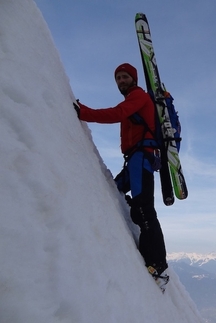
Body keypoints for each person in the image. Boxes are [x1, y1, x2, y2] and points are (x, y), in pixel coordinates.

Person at [74, 63, 169, 283]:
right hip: (135, 160)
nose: (121, 81)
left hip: (141, 159)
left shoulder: (138, 97)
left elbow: (117, 113)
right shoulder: (133, 100)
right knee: (113, 190)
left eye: (125, 77)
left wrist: (83, 113)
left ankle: (157, 264)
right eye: (118, 78)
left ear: (133, 79)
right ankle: (153, 259)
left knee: (144, 209)